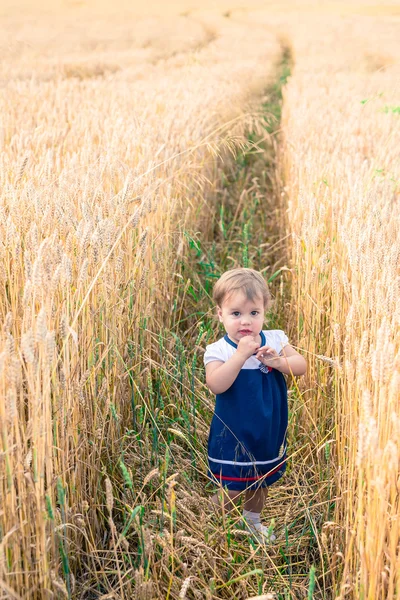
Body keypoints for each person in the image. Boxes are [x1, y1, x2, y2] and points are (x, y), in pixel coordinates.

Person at [203, 267, 307, 543]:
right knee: (234, 486)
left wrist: (277, 363)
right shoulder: (219, 350)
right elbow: (216, 384)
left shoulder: (274, 340)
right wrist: (240, 356)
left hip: (267, 427)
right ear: (220, 315)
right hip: (234, 432)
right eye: (236, 314)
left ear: (264, 313)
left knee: (262, 479)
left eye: (254, 313)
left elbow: (300, 366)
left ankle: (252, 521)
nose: (245, 321)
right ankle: (212, 522)